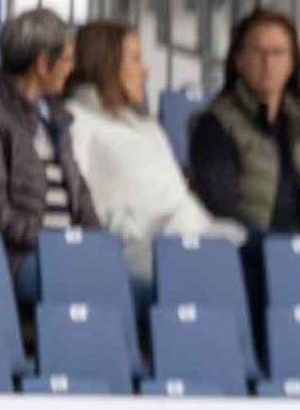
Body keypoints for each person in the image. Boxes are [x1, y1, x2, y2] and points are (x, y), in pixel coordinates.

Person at [63, 21, 247, 279]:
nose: (145, 71)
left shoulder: (147, 127)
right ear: (106, 64)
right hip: (137, 246)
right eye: (135, 59)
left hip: (191, 232)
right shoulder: (77, 120)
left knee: (256, 250)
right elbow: (79, 196)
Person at [0, 7, 97, 278]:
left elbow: (79, 194)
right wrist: (50, 243)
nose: (72, 69)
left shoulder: (55, 116)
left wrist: (97, 243)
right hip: (13, 256)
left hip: (61, 250)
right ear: (42, 63)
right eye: (67, 59)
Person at [190, 7, 300, 240]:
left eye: (278, 52)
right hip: (254, 258)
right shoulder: (215, 125)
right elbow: (222, 210)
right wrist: (274, 250)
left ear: (293, 63)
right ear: (239, 61)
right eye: (258, 52)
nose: (268, 62)